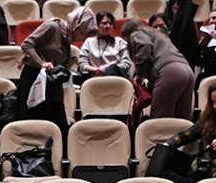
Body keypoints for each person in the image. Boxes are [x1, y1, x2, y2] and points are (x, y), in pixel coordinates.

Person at [19, 8, 98, 136]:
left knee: (58, 123)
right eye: (85, 33)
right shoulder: (53, 27)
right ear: (77, 26)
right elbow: (27, 44)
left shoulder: (67, 38)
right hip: (34, 79)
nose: (85, 38)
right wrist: (42, 63)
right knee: (34, 122)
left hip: (52, 81)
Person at [122, 19, 195, 120]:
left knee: (160, 122)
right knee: (183, 121)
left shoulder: (137, 33)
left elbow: (144, 46)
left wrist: (139, 73)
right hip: (187, 70)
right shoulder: (157, 34)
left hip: (170, 72)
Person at [78, 11, 132, 80]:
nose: (108, 26)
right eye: (104, 23)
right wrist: (97, 70)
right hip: (94, 79)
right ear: (97, 25)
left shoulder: (120, 42)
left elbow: (126, 64)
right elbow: (82, 65)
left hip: (116, 78)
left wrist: (107, 67)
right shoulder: (89, 42)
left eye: (110, 23)